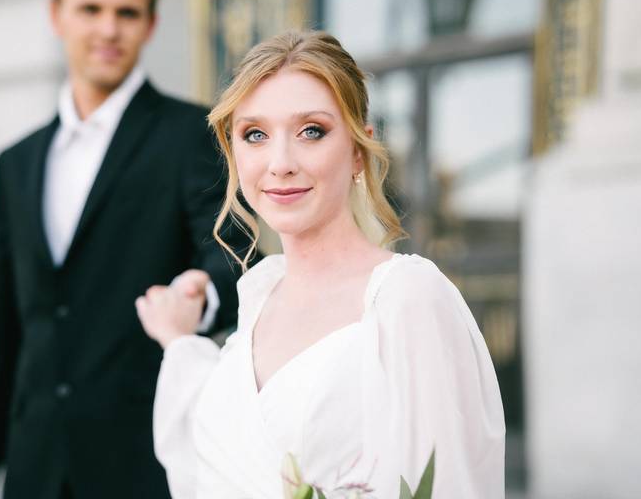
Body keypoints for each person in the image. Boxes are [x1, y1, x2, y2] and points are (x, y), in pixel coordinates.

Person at [136, 31, 505, 498]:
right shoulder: (257, 298)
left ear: (358, 149)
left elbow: (448, 482)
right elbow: (229, 450)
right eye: (255, 135)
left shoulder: (405, 297)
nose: (280, 162)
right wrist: (178, 339)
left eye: (312, 130)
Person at [0, 0, 245, 499]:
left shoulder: (192, 134)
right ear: (56, 15)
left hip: (144, 466)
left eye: (127, 13)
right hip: (34, 471)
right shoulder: (17, 163)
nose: (109, 29)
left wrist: (197, 294)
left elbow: (235, 252)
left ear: (151, 25)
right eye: (91, 9)